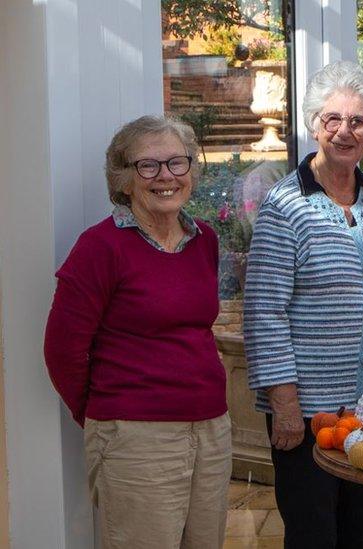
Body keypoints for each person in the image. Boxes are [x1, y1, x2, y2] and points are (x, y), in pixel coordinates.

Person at [243, 61, 363, 549]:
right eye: (332, 120)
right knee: (313, 533)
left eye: (358, 121)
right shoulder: (286, 205)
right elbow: (264, 312)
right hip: (308, 411)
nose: (345, 131)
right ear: (314, 125)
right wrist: (284, 403)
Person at [44, 115, 231, 548]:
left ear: (191, 171)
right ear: (124, 179)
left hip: (210, 428)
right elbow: (62, 351)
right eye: (148, 166)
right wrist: (106, 414)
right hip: (136, 437)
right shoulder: (100, 247)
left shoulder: (203, 239)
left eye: (177, 163)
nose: (165, 176)